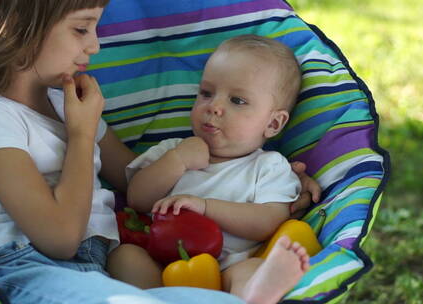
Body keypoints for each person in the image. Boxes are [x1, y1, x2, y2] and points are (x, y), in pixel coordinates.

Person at [0, 2, 317, 304]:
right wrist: (82, 134)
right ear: (20, 27)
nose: (95, 46)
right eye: (81, 29)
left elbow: (135, 177)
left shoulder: (65, 103)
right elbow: (60, 239)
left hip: (93, 264)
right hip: (15, 263)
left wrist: (274, 183)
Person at [109, 35, 320, 304]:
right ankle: (156, 300)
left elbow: (268, 221)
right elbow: (137, 198)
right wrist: (177, 161)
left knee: (251, 270)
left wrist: (206, 207)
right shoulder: (173, 149)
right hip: (163, 263)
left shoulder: (269, 166)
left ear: (274, 124)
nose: (214, 107)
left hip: (228, 268)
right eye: (206, 93)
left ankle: (254, 297)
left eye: (238, 101)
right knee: (125, 256)